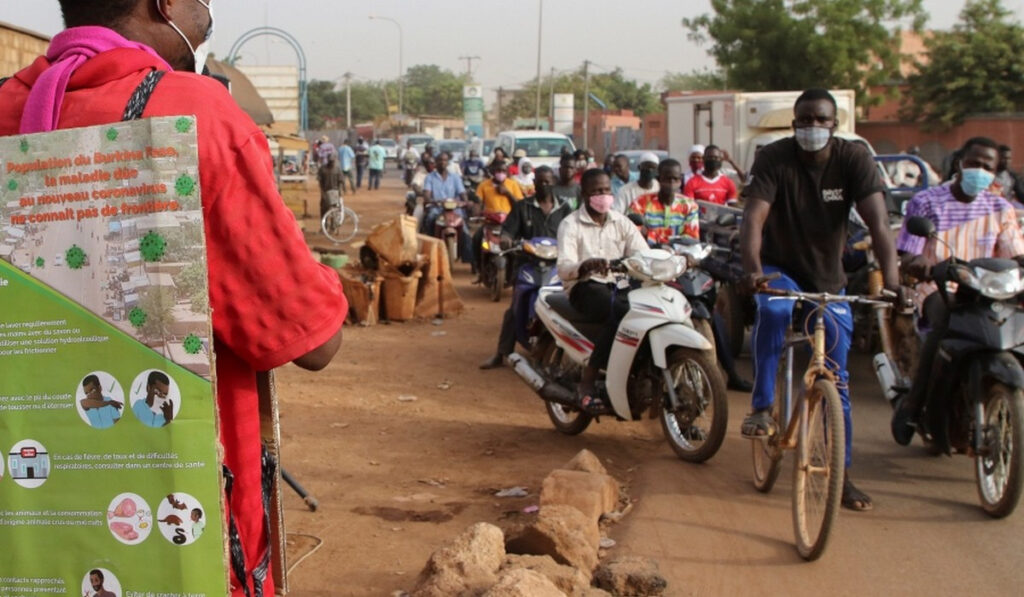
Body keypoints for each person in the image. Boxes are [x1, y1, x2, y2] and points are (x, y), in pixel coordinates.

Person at [0, 3, 348, 594]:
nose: (207, 13)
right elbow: (311, 339)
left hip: (29, 519)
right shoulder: (196, 111)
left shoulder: (9, 107)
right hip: (180, 526)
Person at [738, 88, 901, 512]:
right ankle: (761, 407)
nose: (812, 127)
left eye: (821, 120)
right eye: (804, 120)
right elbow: (754, 217)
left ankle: (841, 477)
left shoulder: (853, 160)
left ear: (834, 124)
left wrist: (894, 280)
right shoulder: (774, 158)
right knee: (773, 311)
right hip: (779, 269)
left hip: (829, 277)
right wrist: (754, 270)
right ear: (794, 125)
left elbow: (879, 223)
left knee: (837, 378)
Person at [891, 136, 1024, 445]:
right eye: (974, 164)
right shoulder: (926, 202)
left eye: (987, 167)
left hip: (988, 290)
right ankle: (913, 404)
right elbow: (908, 253)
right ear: (960, 164)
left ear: (995, 172)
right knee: (944, 325)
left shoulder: (1000, 208)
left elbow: (1013, 253)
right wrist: (920, 263)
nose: (980, 170)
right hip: (939, 286)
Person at [557, 169, 649, 411]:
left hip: (619, 284)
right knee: (619, 311)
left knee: (646, 310)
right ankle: (588, 380)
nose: (603, 195)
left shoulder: (622, 221)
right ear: (585, 194)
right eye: (597, 191)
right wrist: (584, 266)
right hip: (584, 286)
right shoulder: (570, 224)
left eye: (607, 190)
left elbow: (643, 253)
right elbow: (564, 267)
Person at [480, 166, 573, 369]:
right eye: (540, 182)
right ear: (534, 184)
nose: (544, 185)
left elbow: (574, 233)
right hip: (528, 264)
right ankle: (501, 353)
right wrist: (506, 239)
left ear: (554, 183)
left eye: (548, 182)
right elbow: (508, 231)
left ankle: (567, 357)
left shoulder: (565, 209)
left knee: (568, 308)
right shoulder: (523, 207)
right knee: (514, 309)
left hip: (557, 267)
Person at [629, 159, 699, 246]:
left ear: (680, 180)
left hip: (679, 255)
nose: (671, 183)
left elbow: (691, 238)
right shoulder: (640, 203)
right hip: (648, 254)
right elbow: (634, 232)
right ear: (658, 179)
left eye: (675, 179)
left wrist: (650, 235)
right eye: (667, 179)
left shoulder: (690, 206)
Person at [423, 152, 472, 263]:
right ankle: (430, 248)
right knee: (430, 218)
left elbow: (462, 192)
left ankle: (469, 258)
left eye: (445, 160)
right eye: (440, 160)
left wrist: (465, 201)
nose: (442, 162)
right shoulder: (430, 177)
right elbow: (427, 193)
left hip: (454, 209)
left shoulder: (455, 177)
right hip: (438, 208)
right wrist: (431, 200)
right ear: (436, 163)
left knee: (465, 229)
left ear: (448, 162)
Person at [316, 153, 342, 218]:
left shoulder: (337, 169)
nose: (332, 163)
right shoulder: (322, 168)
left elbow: (340, 181)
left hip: (335, 191)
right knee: (323, 208)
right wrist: (322, 192)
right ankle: (324, 225)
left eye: (333, 161)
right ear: (328, 160)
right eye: (330, 161)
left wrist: (339, 191)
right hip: (325, 191)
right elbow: (320, 181)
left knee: (335, 209)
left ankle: (333, 225)